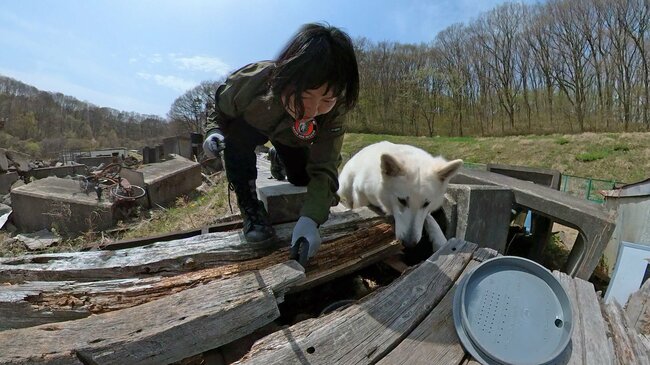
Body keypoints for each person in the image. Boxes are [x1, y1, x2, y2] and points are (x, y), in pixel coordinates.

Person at [202, 23, 359, 260]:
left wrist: (311, 219)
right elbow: (220, 111)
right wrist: (213, 132)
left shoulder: (335, 111)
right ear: (283, 78)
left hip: (292, 139)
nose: (313, 110)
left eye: (326, 100)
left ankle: (279, 158)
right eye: (305, 97)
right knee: (235, 138)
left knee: (301, 178)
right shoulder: (250, 81)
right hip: (251, 128)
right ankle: (251, 208)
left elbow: (325, 166)